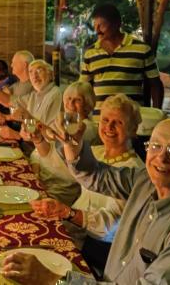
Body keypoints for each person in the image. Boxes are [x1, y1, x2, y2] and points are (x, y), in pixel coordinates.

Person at [3, 117, 170, 284]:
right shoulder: (145, 181)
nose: (162, 157)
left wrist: (53, 279)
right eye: (156, 145)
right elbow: (95, 176)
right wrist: (71, 144)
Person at [31, 94, 144, 253]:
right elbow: (65, 172)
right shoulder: (97, 152)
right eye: (105, 120)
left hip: (91, 246)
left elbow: (112, 228)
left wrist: (67, 213)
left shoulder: (133, 171)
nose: (109, 127)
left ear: (133, 129)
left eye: (118, 122)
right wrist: (40, 141)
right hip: (70, 229)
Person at [79, 3, 163, 116]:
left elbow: (155, 84)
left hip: (131, 120)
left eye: (101, 26)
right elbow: (83, 89)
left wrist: (157, 114)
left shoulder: (142, 49)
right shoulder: (90, 53)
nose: (97, 31)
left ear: (117, 24)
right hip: (100, 120)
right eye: (95, 26)